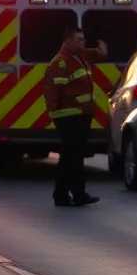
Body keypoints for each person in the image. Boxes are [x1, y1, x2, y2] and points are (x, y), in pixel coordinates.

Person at [43, 26, 107, 207]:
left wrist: (101, 52)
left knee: (75, 157)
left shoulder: (79, 58)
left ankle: (77, 194)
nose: (82, 42)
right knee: (70, 157)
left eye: (83, 39)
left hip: (80, 114)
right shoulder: (61, 62)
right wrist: (57, 111)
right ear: (68, 41)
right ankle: (63, 195)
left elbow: (93, 55)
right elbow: (53, 89)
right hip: (68, 115)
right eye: (78, 39)